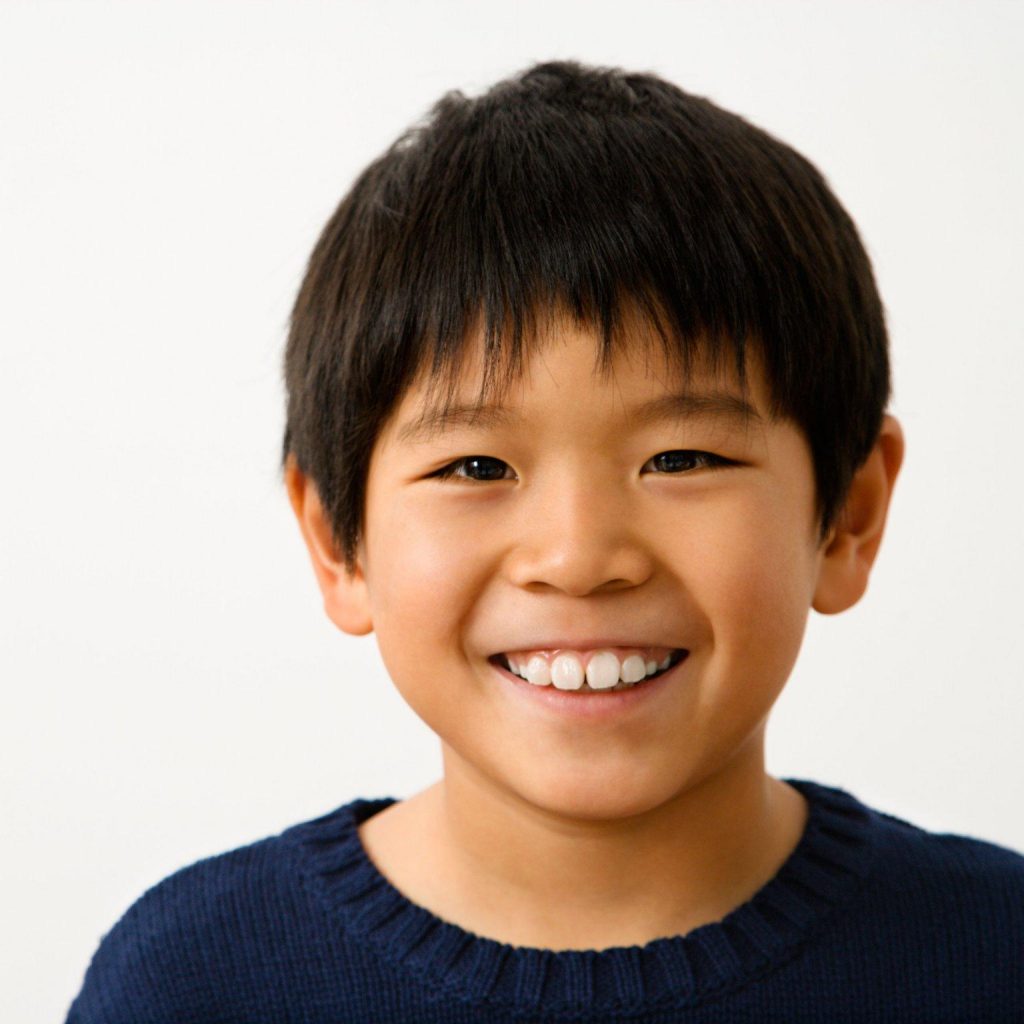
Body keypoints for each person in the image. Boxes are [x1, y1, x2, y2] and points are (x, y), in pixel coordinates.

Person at [65, 60, 1024, 1022]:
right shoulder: (193, 982)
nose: (577, 556)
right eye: (476, 468)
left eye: (683, 458)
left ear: (849, 514)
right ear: (336, 543)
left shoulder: (994, 953)